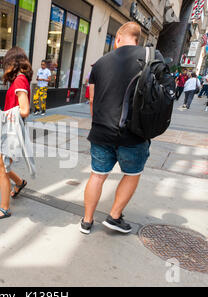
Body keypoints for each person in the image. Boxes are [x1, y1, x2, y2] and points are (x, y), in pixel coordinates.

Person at [81, 21, 164, 234]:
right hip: (134, 133)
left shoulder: (99, 63)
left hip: (101, 131)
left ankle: (87, 221)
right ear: (138, 39)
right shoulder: (151, 57)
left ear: (118, 38)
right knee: (132, 174)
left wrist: (97, 123)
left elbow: (91, 99)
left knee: (97, 175)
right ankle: (114, 216)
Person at [0, 46, 32, 220]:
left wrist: (1, 114)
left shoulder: (20, 80)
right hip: (7, 128)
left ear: (12, 62)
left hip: (12, 131)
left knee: (2, 169)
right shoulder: (20, 80)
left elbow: (25, 110)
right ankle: (19, 183)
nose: (4, 68)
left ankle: (4, 208)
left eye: (5, 64)